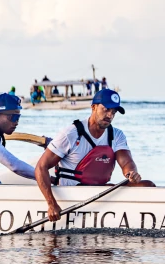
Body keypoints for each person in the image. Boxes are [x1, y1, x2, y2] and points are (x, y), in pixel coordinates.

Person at [34, 89, 154, 222]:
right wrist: (51, 204)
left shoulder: (117, 135)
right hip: (71, 193)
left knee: (147, 185)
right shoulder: (70, 134)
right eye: (106, 109)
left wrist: (131, 173)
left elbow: (126, 162)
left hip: (98, 190)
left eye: (114, 112)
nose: (110, 115)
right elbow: (41, 167)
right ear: (93, 107)